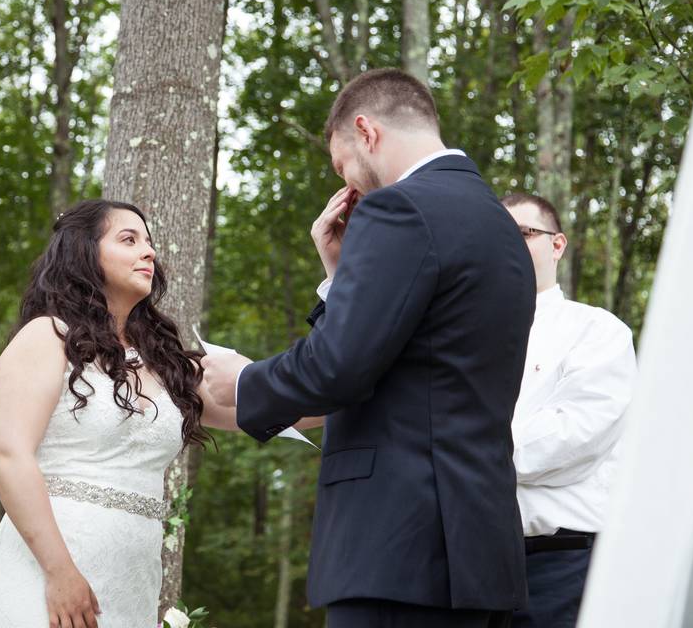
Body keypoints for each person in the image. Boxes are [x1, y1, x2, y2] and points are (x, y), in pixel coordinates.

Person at [202, 68, 535, 627]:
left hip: (398, 545)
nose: (349, 185)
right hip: (477, 550)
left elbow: (338, 369)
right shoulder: (500, 228)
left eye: (341, 165)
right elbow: (416, 355)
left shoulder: (399, 208)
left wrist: (241, 380)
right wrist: (341, 276)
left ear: (366, 131)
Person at [0, 200, 240, 628]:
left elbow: (282, 404)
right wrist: (60, 572)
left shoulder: (166, 365)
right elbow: (7, 455)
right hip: (48, 576)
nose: (149, 252)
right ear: (84, 253)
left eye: (149, 242)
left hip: (132, 582)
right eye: (129, 239)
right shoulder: (46, 336)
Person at [501, 192, 637, 628]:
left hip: (559, 563)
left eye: (523, 233)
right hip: (470, 565)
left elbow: (573, 438)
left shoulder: (596, 330)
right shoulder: (458, 337)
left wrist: (463, 456)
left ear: (556, 245)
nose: (508, 244)